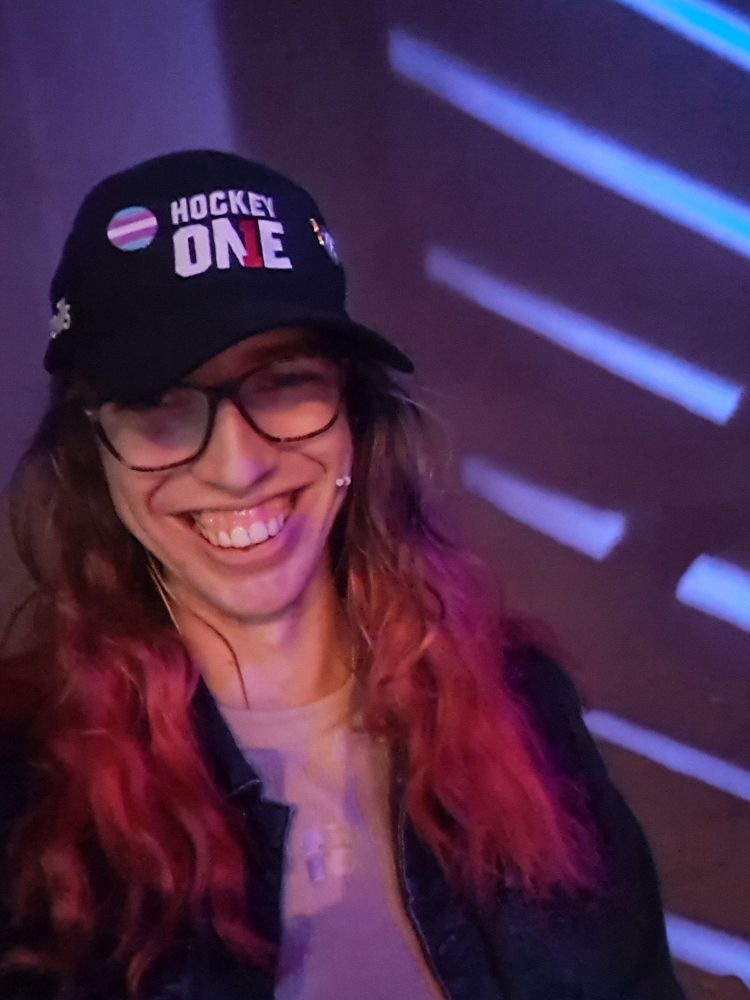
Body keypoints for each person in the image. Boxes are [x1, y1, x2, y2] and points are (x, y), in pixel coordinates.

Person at [0, 150, 685, 1000]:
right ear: (91, 448)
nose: (239, 465)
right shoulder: (25, 789)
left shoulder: (519, 707)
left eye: (284, 382)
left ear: (354, 415)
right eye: (160, 401)